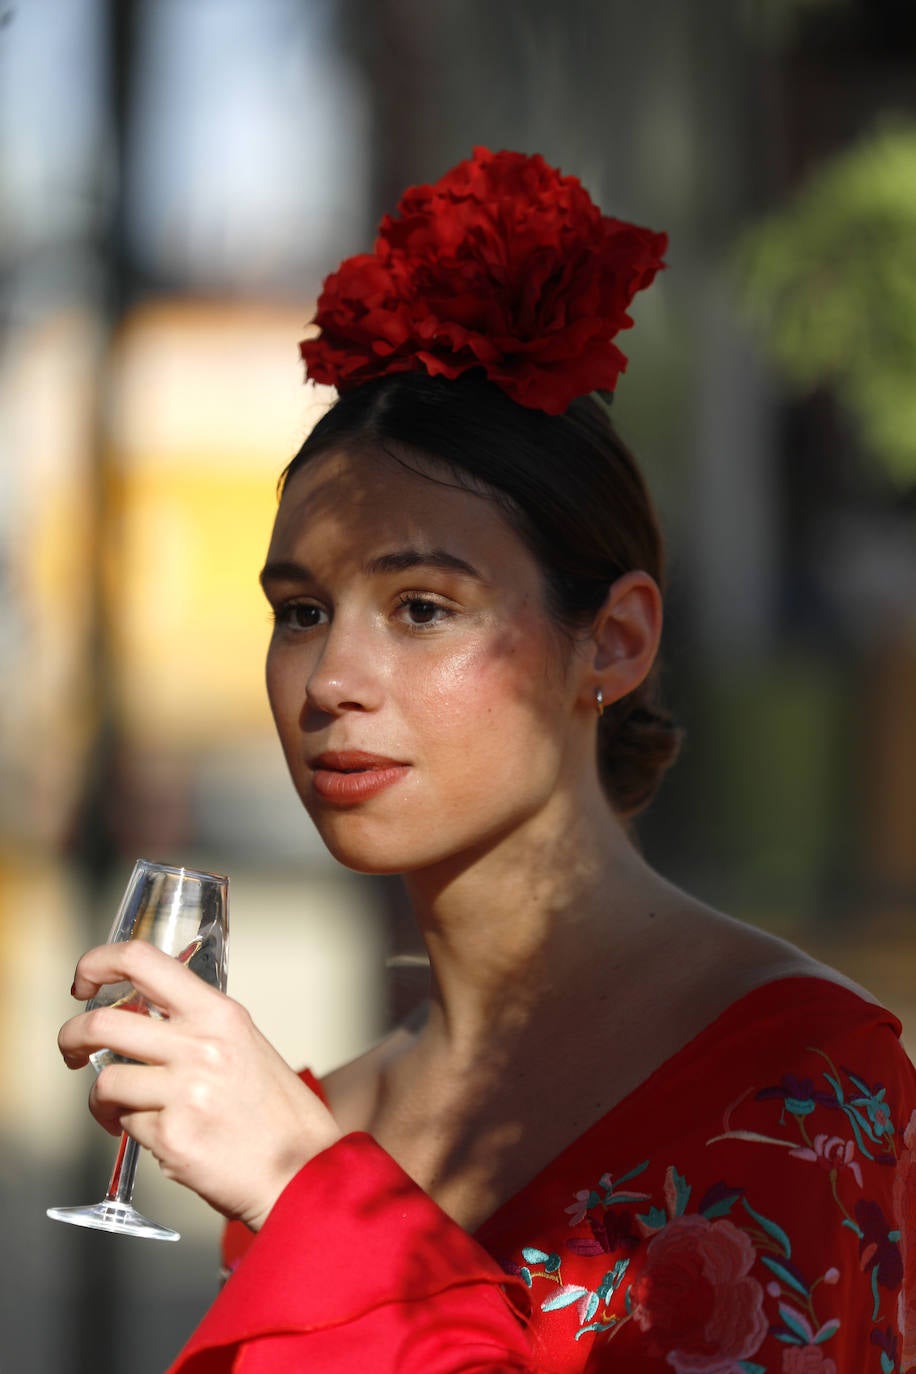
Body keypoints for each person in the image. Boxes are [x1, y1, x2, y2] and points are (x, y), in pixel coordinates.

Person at [59, 148, 915, 1374]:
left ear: (610, 641)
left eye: (422, 609)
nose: (333, 680)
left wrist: (313, 1196)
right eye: (300, 612)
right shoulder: (331, 1106)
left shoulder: (802, 1082)